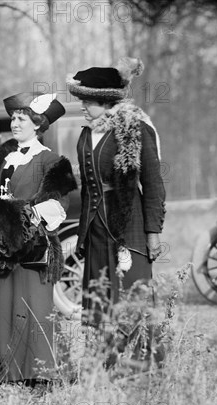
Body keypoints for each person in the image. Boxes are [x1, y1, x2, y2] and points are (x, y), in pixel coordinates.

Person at [0, 92, 77, 387]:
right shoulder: (0, 157)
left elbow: (58, 206)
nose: (14, 123)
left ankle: (40, 373)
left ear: (37, 125)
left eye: (21, 119)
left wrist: (20, 215)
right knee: (0, 305)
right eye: (13, 118)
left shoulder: (53, 161)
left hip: (32, 249)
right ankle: (1, 371)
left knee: (33, 306)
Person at [66, 57, 166, 323]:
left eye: (88, 103)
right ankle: (103, 363)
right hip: (96, 229)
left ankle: (139, 363)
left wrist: (153, 233)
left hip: (128, 226)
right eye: (82, 102)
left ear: (106, 102)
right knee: (100, 302)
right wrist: (83, 234)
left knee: (131, 299)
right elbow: (88, 186)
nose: (83, 108)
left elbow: (154, 183)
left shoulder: (135, 129)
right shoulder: (86, 134)